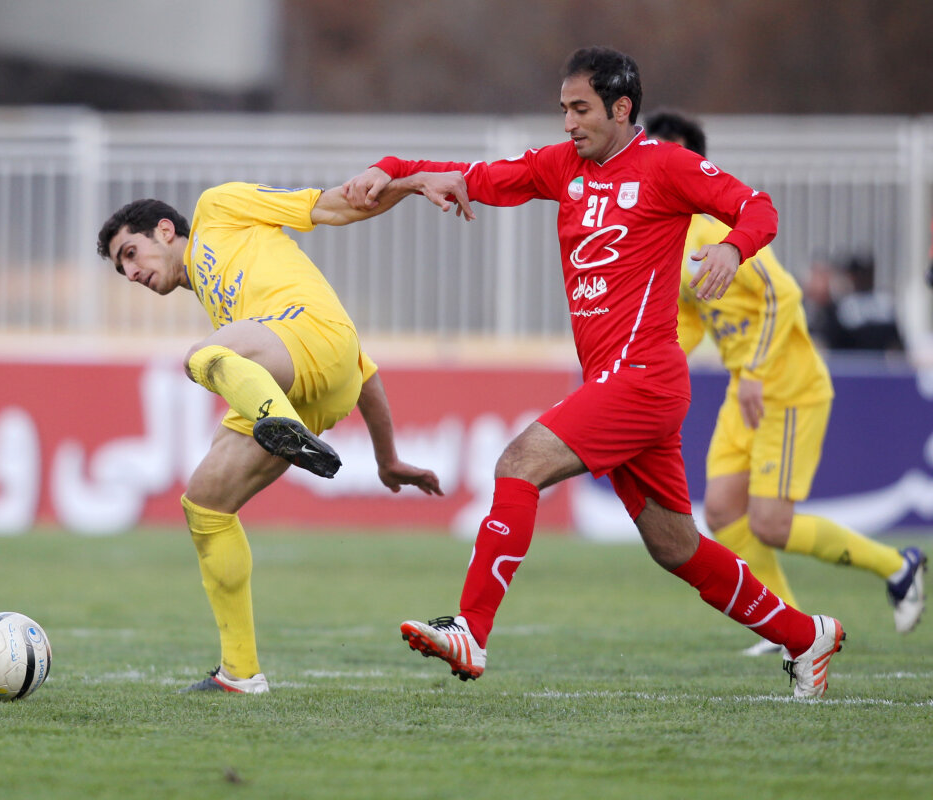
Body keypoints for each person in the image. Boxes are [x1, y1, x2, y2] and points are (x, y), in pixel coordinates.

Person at [343, 46, 846, 698]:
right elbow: (475, 175)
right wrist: (391, 169)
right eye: (563, 109)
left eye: (580, 109)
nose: (568, 123)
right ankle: (807, 636)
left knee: (518, 462)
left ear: (621, 108)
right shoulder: (563, 166)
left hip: (644, 376)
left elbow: (759, 208)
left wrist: (731, 247)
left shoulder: (666, 166)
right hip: (618, 383)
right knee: (675, 547)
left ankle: (471, 628)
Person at [97, 179, 445, 693]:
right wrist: (387, 459)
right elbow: (361, 369)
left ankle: (277, 422)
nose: (130, 273)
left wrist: (412, 181)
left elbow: (329, 206)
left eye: (130, 253)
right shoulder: (227, 308)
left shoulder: (217, 210)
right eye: (120, 268)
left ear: (165, 230)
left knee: (202, 356)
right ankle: (239, 674)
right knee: (206, 505)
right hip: (315, 380)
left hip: (307, 337)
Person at [643, 109, 926, 655]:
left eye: (661, 153)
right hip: (744, 388)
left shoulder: (718, 226)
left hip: (786, 386)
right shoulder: (674, 236)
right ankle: (790, 627)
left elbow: (785, 294)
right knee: (721, 511)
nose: (649, 165)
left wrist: (753, 370)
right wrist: (651, 363)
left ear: (689, 160)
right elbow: (692, 318)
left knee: (770, 524)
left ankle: (898, 565)